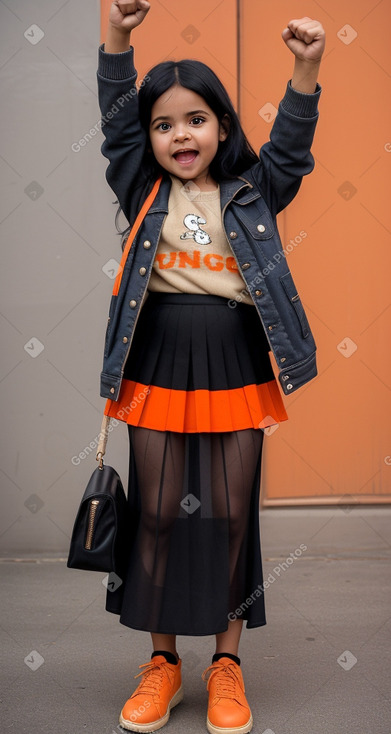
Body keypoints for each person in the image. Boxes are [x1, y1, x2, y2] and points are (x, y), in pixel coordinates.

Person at [96, 2, 325, 732]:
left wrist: (306, 66)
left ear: (221, 127)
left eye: (193, 119)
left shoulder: (252, 190)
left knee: (228, 517)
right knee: (158, 516)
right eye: (162, 125)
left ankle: (226, 667)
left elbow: (288, 150)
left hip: (233, 356)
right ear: (150, 141)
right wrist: (117, 39)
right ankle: (162, 664)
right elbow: (114, 118)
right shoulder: (141, 188)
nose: (178, 134)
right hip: (157, 353)